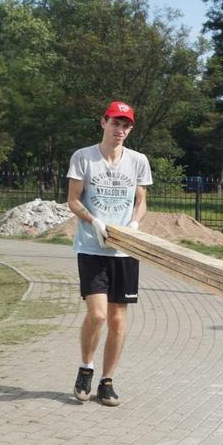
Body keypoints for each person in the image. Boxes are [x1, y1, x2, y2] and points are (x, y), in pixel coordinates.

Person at [66, 100, 153, 406]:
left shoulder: (138, 161)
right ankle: (86, 368)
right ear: (103, 122)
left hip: (125, 250)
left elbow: (141, 200)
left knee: (117, 320)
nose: (121, 130)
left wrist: (134, 222)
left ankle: (107, 381)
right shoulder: (84, 158)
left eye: (126, 125)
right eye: (116, 123)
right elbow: (73, 200)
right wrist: (94, 221)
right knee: (98, 314)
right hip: (92, 246)